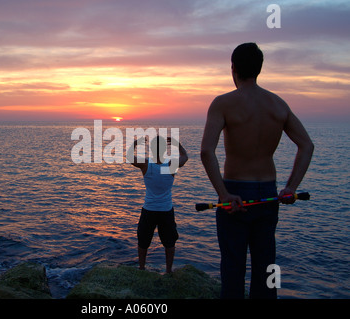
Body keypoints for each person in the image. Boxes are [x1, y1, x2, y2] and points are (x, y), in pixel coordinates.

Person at [200, 43, 314, 298]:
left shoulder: (223, 103)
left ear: (233, 69)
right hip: (268, 194)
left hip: (235, 192)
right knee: (265, 268)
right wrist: (291, 188)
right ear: (259, 69)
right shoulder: (278, 104)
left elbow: (207, 151)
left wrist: (224, 194)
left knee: (233, 266)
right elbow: (307, 145)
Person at [127, 135, 188, 273]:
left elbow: (130, 157)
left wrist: (136, 143)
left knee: (143, 241)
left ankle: (141, 268)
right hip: (166, 210)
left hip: (149, 209)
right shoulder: (171, 165)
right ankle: (168, 270)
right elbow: (185, 156)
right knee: (169, 242)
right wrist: (177, 144)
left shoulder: (146, 164)